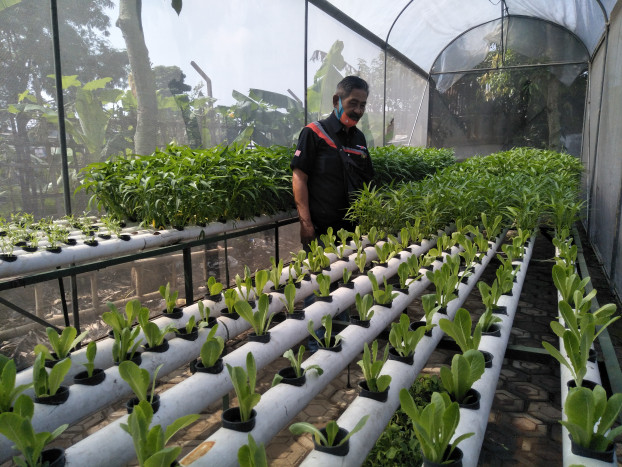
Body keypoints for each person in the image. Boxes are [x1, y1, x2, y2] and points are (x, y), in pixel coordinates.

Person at [291, 75, 374, 248]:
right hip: (322, 233)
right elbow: (299, 178)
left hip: (354, 231)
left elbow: (368, 179)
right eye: (353, 103)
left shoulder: (359, 138)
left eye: (362, 105)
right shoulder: (314, 132)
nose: (358, 110)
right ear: (336, 100)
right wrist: (305, 224)